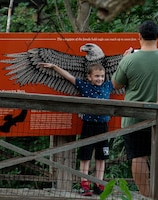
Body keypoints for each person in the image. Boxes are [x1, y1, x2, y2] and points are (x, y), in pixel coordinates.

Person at [111, 20, 158, 197]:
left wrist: (124, 60)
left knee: (138, 156)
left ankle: (146, 194)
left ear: (139, 36)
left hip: (134, 117)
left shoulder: (130, 60)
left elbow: (116, 83)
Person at [38, 62, 112, 196]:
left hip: (103, 126)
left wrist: (126, 57)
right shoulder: (84, 86)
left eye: (102, 76)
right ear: (89, 77)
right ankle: (85, 184)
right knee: (85, 156)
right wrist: (55, 67)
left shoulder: (108, 85)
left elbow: (121, 74)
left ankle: (99, 184)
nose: (99, 79)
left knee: (102, 157)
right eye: (96, 76)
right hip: (88, 125)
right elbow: (69, 77)